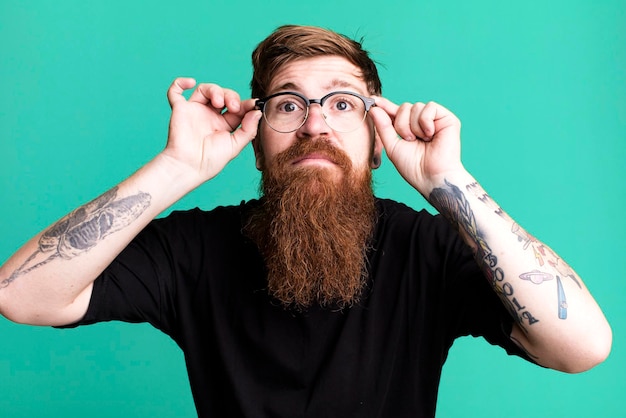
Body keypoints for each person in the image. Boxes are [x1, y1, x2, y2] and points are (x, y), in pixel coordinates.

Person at [0, 25, 612, 417]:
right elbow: (20, 295)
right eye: (289, 104)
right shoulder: (196, 249)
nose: (315, 125)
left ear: (378, 142)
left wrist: (446, 183)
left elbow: (583, 347)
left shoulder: (428, 249)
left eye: (342, 103)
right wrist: (178, 166)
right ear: (258, 138)